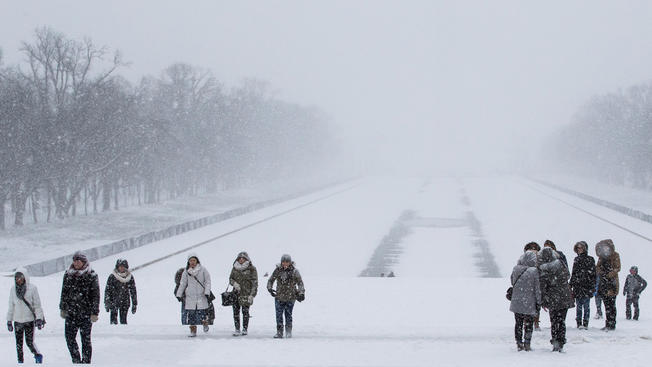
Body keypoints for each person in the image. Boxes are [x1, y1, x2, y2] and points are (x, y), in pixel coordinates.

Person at [59, 252, 100, 364]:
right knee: (69, 338)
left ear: (83, 262)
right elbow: (64, 292)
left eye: (78, 261)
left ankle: (86, 362)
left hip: (85, 312)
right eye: (74, 260)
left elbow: (95, 295)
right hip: (71, 312)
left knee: (85, 340)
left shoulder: (91, 275)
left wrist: (94, 312)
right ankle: (76, 361)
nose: (76, 263)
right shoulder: (68, 274)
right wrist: (63, 307)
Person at [539, 247, 575, 352]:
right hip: (564, 296)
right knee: (562, 321)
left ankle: (555, 341)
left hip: (552, 298)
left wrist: (543, 300)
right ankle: (561, 341)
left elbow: (543, 286)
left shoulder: (543, 269)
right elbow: (568, 275)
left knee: (554, 321)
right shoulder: (561, 264)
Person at [6, 268, 44, 364]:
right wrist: (9, 320)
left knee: (29, 342)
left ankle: (37, 355)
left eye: (21, 277)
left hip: (29, 320)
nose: (19, 279)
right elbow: (11, 306)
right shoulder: (13, 289)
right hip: (17, 321)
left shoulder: (32, 288)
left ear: (25, 277)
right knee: (18, 344)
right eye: (17, 277)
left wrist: (39, 318)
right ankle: (20, 362)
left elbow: (37, 305)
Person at [509, 251, 541, 352]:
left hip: (517, 300)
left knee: (518, 323)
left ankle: (519, 342)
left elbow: (512, 281)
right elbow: (537, 288)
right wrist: (539, 301)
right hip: (529, 301)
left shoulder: (516, 269)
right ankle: (527, 343)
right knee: (528, 324)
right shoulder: (534, 271)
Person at [267, 254, 305, 339]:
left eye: (287, 262)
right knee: (278, 315)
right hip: (279, 296)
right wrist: (269, 289)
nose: (285, 263)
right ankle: (279, 332)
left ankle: (288, 332)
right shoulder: (277, 270)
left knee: (288, 315)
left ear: (290, 262)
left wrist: (301, 293)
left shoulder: (295, 271)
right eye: (283, 261)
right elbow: (270, 280)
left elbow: (300, 283)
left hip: (291, 297)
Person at [176, 253, 212, 337]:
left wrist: (207, 292)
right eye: (190, 260)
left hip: (201, 295)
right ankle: (193, 330)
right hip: (190, 296)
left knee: (202, 312)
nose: (192, 262)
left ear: (197, 261)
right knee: (191, 314)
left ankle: (205, 322)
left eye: (194, 260)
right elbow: (183, 283)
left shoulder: (203, 270)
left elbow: (208, 281)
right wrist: (179, 294)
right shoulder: (186, 271)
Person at [229, 251, 258, 336]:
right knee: (235, 312)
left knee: (245, 312)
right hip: (235, 293)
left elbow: (254, 282)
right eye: (239, 258)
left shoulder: (252, 268)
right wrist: (234, 283)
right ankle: (237, 329)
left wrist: (252, 295)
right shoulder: (234, 268)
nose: (241, 259)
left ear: (246, 259)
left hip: (246, 293)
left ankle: (245, 329)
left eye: (243, 258)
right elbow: (230, 279)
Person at [569, 241, 596, 329]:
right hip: (578, 286)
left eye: (581, 248)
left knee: (586, 306)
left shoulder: (590, 259)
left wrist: (593, 286)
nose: (579, 249)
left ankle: (585, 323)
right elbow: (574, 273)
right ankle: (579, 323)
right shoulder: (576, 259)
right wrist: (571, 285)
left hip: (587, 286)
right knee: (579, 306)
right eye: (578, 248)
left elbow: (593, 275)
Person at [595, 239, 620, 331]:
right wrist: (601, 272)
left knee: (611, 305)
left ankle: (612, 323)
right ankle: (608, 323)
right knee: (606, 305)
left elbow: (618, 267)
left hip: (612, 283)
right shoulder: (601, 257)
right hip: (603, 283)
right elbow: (597, 267)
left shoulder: (615, 255)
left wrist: (609, 274)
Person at [104, 259, 137, 325]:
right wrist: (107, 303)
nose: (121, 268)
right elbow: (107, 290)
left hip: (125, 302)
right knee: (113, 322)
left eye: (123, 266)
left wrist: (134, 304)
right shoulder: (112, 276)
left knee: (123, 322)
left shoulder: (130, 277)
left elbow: (133, 291)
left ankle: (123, 334)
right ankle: (113, 334)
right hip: (113, 302)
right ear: (117, 267)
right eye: (120, 266)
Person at [522, 242, 542, 331]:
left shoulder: (540, 261)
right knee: (527, 306)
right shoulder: (524, 261)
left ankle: (536, 322)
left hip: (536, 286)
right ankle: (528, 322)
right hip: (527, 287)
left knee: (537, 306)